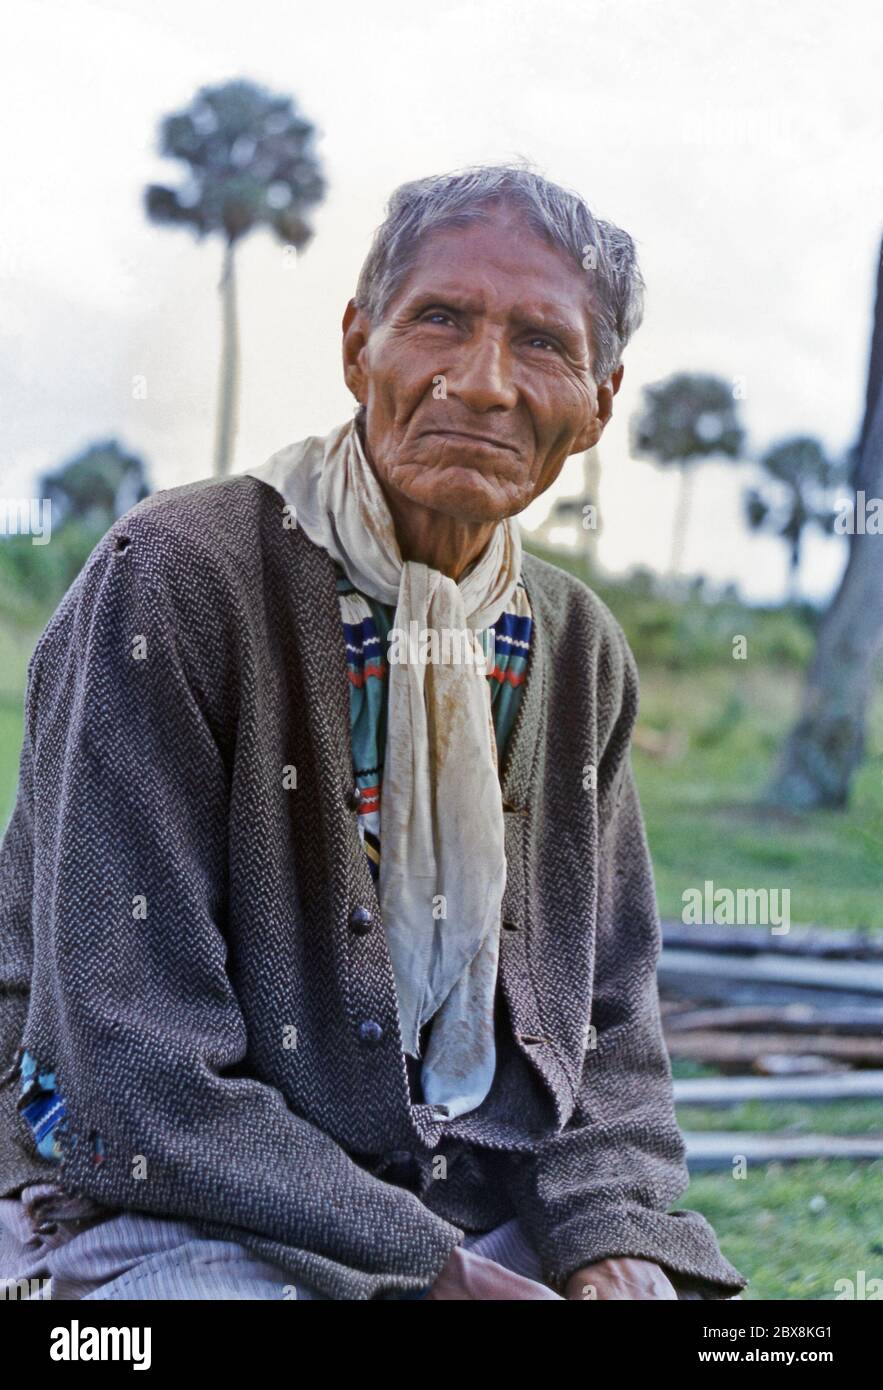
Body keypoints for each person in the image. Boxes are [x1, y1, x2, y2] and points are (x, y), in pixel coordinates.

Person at [0, 164, 746, 1301]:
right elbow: (130, 1066)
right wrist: (423, 1269)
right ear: (359, 345)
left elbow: (601, 1014)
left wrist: (606, 1232)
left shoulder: (572, 644)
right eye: (438, 318)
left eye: (543, 342)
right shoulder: (175, 582)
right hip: (152, 1190)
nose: (482, 382)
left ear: (599, 401)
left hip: (453, 1196)